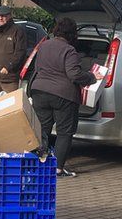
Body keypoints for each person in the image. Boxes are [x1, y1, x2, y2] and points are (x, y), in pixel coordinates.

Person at [29, 17, 104, 177]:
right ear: (72, 34)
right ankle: (58, 168)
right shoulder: (69, 50)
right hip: (63, 96)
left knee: (42, 129)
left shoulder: (43, 45)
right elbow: (74, 74)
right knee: (64, 132)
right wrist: (92, 77)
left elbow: (37, 68)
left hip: (39, 91)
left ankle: (37, 164)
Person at [0, 5, 28, 100]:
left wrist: (8, 67)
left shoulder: (17, 31)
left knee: (13, 105)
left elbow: (20, 53)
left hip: (11, 79)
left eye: (3, 16)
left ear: (9, 16)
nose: (0, 18)